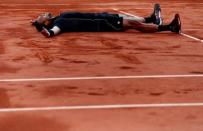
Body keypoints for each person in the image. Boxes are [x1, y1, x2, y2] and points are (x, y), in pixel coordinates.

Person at [31, 4, 181, 38]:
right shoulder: (58, 24)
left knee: (128, 19)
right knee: (134, 25)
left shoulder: (59, 16)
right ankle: (168, 27)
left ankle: (152, 18)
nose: (43, 14)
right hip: (101, 24)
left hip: (101, 17)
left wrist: (36, 22)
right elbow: (49, 34)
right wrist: (38, 26)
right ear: (45, 22)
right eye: (41, 17)